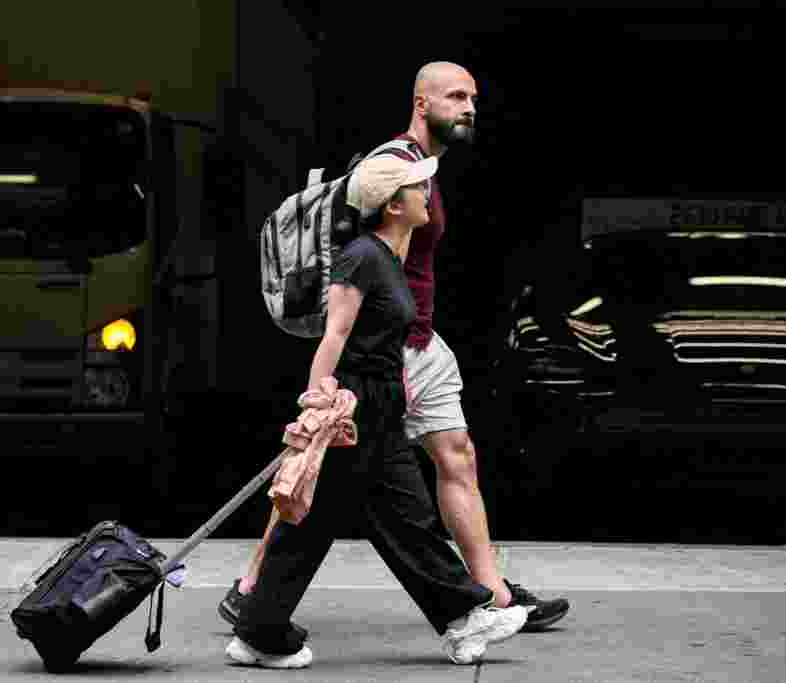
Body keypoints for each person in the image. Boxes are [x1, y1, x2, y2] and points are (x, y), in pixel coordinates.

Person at [221, 61, 569, 636]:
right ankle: (254, 589)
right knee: (319, 470)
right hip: (389, 347)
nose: (468, 108)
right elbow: (353, 259)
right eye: (455, 97)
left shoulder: (423, 168)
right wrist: (352, 357)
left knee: (457, 455)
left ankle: (495, 596)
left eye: (473, 98)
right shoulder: (388, 166)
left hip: (423, 339)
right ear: (420, 103)